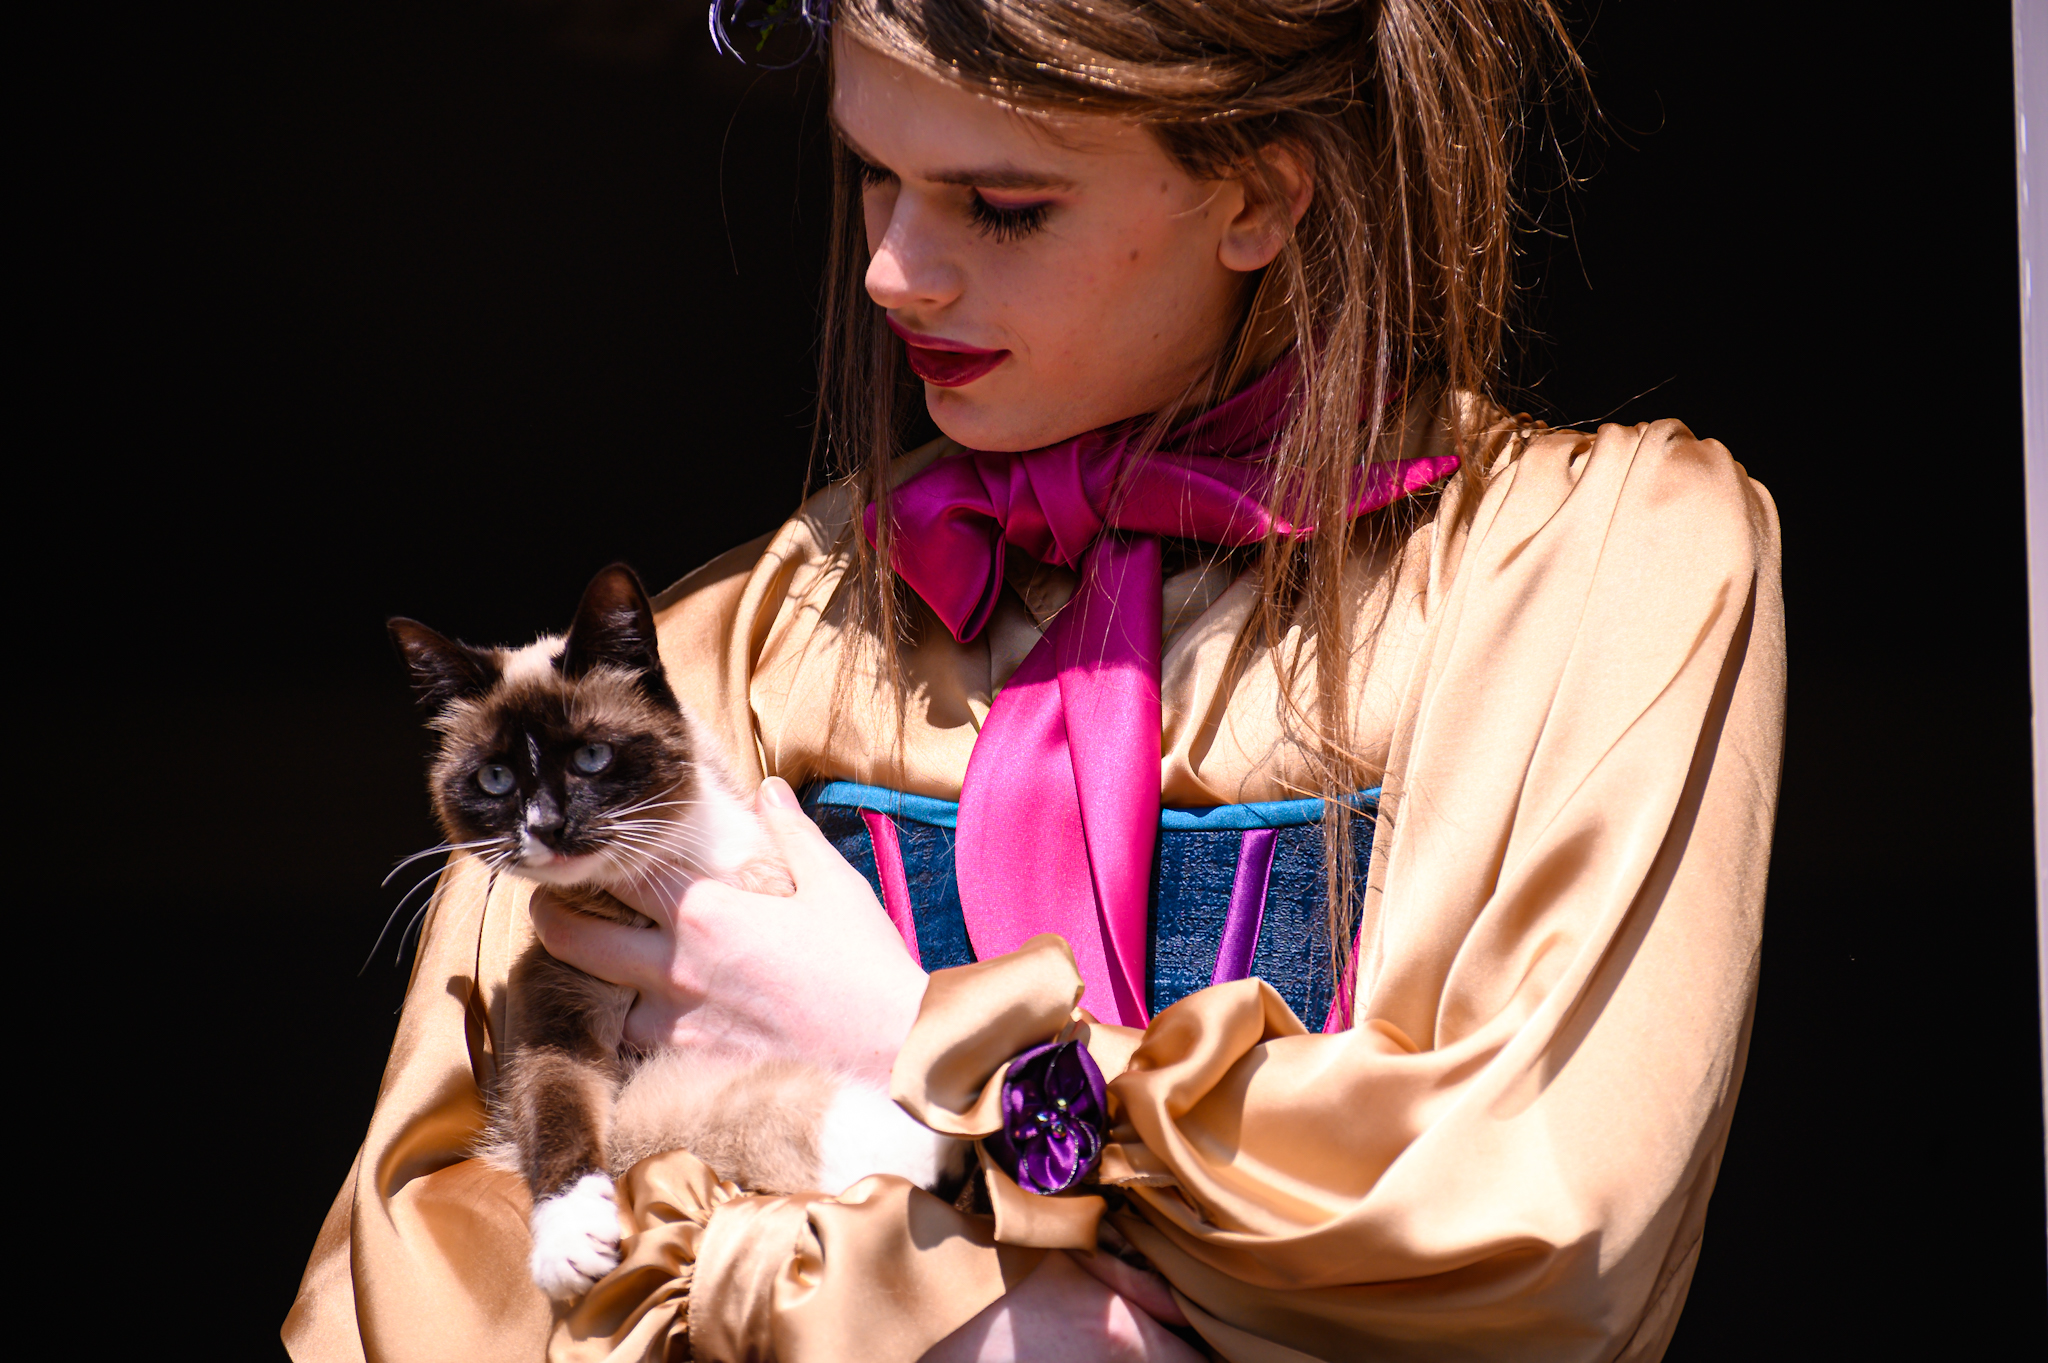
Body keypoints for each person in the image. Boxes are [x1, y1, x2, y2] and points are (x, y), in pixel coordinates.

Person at [284, 1, 1783, 1359]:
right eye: (872, 173)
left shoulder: (1600, 574)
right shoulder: (725, 653)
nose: (890, 269)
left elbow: (1537, 1232)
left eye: (1002, 206)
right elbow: (430, 1285)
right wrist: (951, 1321)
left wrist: (906, 1047)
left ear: (1258, 192)